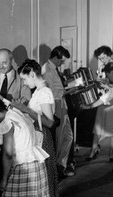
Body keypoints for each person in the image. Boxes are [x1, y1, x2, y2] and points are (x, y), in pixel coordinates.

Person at [13, 59, 61, 197]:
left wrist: (25, 109)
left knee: (43, 183)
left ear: (32, 74)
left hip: (43, 140)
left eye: (25, 79)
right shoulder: (39, 92)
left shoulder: (45, 92)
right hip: (38, 139)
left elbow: (49, 122)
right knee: (40, 184)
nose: (25, 83)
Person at [42, 45, 75, 177]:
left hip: (62, 105)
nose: (62, 64)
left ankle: (61, 164)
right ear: (56, 57)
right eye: (61, 61)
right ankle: (59, 167)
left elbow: (57, 88)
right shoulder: (48, 70)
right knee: (62, 137)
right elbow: (54, 93)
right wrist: (71, 90)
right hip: (57, 105)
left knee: (68, 136)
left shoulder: (53, 68)